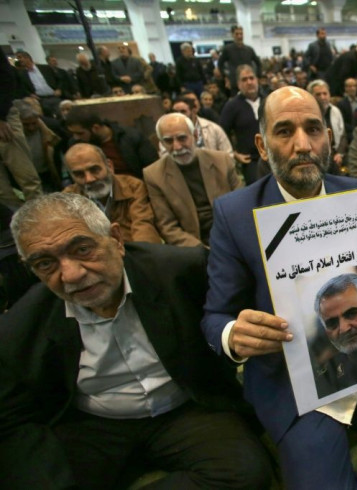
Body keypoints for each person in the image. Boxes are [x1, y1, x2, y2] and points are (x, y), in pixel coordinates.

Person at [200, 86, 357, 489]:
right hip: (294, 375)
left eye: (313, 128)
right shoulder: (234, 214)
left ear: (329, 138)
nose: (302, 144)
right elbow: (215, 316)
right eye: (284, 131)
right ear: (262, 146)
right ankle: (334, 428)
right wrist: (234, 336)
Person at [1, 192, 272, 489]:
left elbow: (216, 336)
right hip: (93, 424)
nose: (71, 274)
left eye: (82, 249)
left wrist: (229, 341)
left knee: (245, 474)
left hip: (186, 406)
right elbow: (14, 417)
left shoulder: (180, 271)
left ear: (116, 240)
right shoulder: (19, 327)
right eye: (45, 264)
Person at [144, 113, 242, 247]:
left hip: (231, 234)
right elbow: (168, 227)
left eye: (182, 138)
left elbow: (242, 205)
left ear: (195, 136)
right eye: (168, 141)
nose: (177, 147)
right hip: (193, 245)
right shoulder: (153, 175)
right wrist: (201, 250)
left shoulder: (222, 161)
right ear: (161, 144)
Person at [62, 143, 161, 244]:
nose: (89, 179)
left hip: (133, 251)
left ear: (109, 166)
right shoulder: (68, 199)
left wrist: (141, 255)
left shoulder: (133, 187)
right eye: (79, 174)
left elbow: (143, 225)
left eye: (94, 170)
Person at [65, 108, 158, 179]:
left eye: (80, 133)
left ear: (95, 128)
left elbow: (153, 168)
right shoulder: (76, 144)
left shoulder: (132, 137)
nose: (76, 137)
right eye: (73, 133)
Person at [0, 54, 42, 207]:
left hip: (3, 118)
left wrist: (1, 115)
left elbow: (6, 78)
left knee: (27, 177)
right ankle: (20, 220)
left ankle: (39, 219)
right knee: (2, 191)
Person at [219, 64, 262, 184]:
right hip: (251, 161)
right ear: (238, 84)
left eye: (251, 78)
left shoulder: (268, 100)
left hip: (273, 156)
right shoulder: (232, 106)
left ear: (257, 80)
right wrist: (234, 154)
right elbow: (221, 133)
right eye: (244, 79)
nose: (249, 82)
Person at [308, 80, 348, 170]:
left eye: (325, 93)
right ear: (311, 96)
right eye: (318, 94)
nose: (323, 97)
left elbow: (343, 135)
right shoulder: (306, 114)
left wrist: (340, 154)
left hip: (335, 155)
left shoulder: (335, 111)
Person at [216, 25, 261, 90]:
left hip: (249, 82)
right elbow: (220, 64)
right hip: (235, 82)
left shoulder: (249, 49)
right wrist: (225, 77)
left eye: (241, 34)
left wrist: (257, 76)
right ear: (232, 35)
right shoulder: (227, 49)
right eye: (237, 34)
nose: (239, 36)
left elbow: (258, 63)